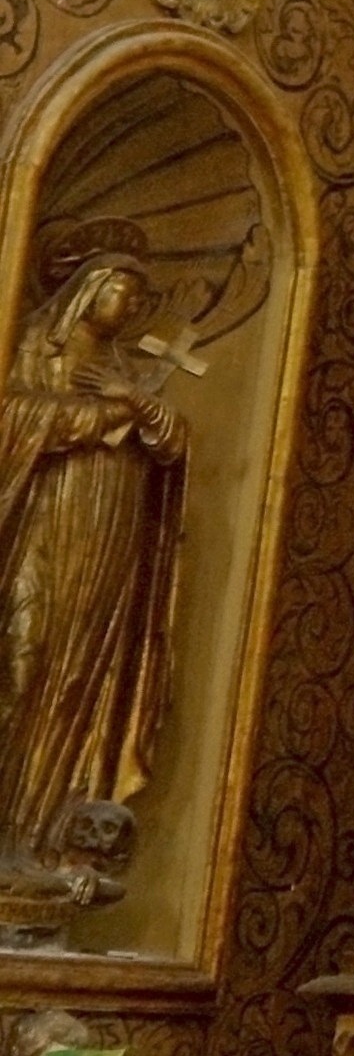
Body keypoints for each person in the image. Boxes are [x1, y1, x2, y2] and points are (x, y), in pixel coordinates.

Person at [0, 237, 186, 913]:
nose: (131, 303)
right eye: (122, 288)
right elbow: (13, 418)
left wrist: (137, 405)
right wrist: (100, 414)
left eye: (140, 296)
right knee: (23, 663)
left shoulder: (128, 367)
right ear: (89, 285)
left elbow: (170, 441)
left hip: (110, 532)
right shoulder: (31, 349)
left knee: (76, 678)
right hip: (47, 521)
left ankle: (37, 836)